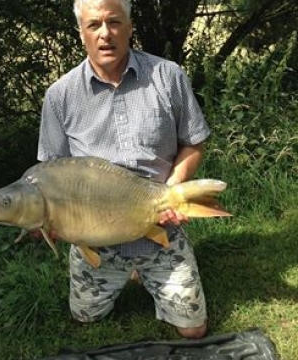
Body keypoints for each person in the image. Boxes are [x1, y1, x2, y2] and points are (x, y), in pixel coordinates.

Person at [37, 0, 210, 339]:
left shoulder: (167, 75)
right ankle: (125, 272)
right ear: (81, 34)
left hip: (160, 227)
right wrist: (49, 218)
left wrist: (171, 193)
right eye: (94, 25)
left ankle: (150, 269)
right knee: (87, 317)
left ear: (130, 27)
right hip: (95, 241)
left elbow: (194, 142)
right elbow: (50, 177)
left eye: (114, 22)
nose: (105, 34)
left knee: (194, 331)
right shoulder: (59, 96)